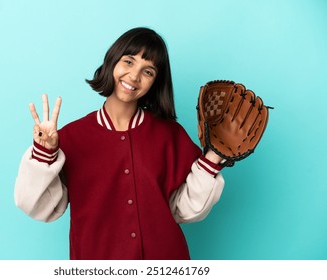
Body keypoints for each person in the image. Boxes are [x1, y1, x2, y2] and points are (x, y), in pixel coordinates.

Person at [14, 27, 225, 260]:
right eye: (128, 61)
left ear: (156, 82)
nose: (134, 76)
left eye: (148, 71)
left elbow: (183, 209)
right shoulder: (72, 138)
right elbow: (39, 207)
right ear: (112, 62)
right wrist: (45, 152)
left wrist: (213, 157)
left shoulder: (170, 135)